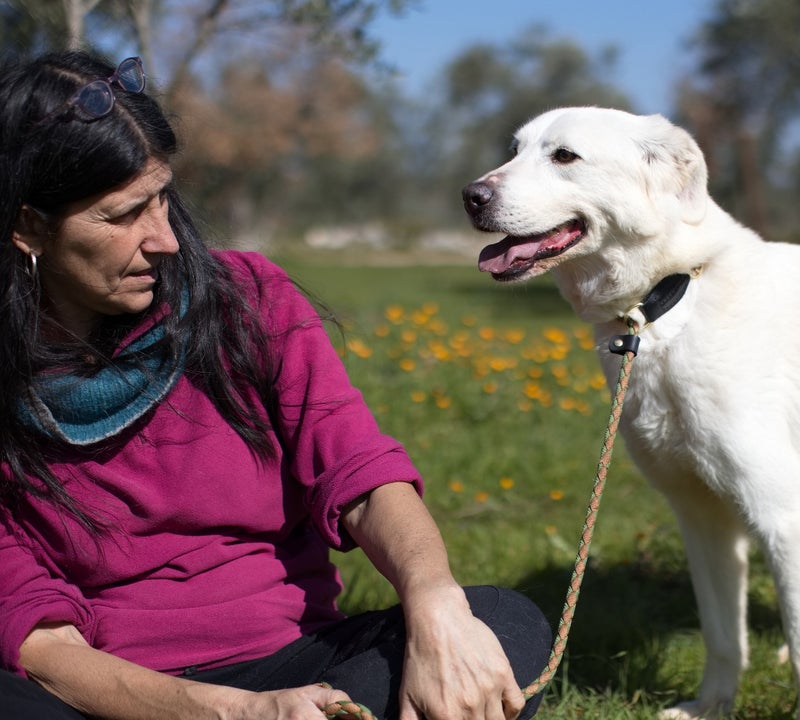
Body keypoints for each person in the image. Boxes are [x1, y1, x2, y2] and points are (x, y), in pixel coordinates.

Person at [0, 50, 552, 720]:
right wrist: (231, 713)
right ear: (29, 226)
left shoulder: (250, 298)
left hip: (300, 664)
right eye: (122, 216)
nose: (165, 238)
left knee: (496, 621)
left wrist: (437, 603)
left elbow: (361, 478)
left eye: (163, 198)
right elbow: (37, 640)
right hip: (114, 692)